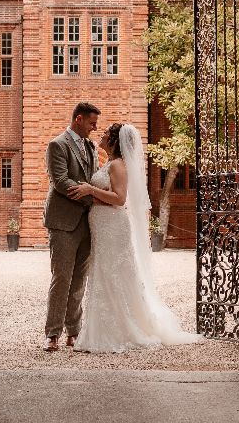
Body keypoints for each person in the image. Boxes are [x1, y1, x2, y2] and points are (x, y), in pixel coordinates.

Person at [70, 122, 202, 353]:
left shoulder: (118, 165)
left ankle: (120, 330)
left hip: (113, 227)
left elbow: (120, 199)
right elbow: (109, 198)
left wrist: (91, 191)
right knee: (103, 273)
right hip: (102, 225)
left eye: (105, 133)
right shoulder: (110, 163)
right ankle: (99, 329)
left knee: (114, 274)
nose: (100, 135)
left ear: (113, 140)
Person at [41, 101, 100, 352]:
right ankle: (52, 334)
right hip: (63, 222)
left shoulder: (91, 146)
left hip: (88, 221)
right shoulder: (58, 145)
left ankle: (74, 332)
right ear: (78, 119)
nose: (94, 128)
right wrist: (94, 197)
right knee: (62, 278)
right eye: (91, 123)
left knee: (79, 280)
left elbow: (94, 176)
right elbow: (61, 181)